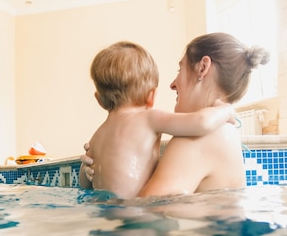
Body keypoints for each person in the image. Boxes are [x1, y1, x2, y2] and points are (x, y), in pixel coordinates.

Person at [82, 33, 269, 197]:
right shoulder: (224, 132)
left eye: (180, 69)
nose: (172, 84)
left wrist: (91, 171)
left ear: (203, 68)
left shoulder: (199, 139)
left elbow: (146, 210)